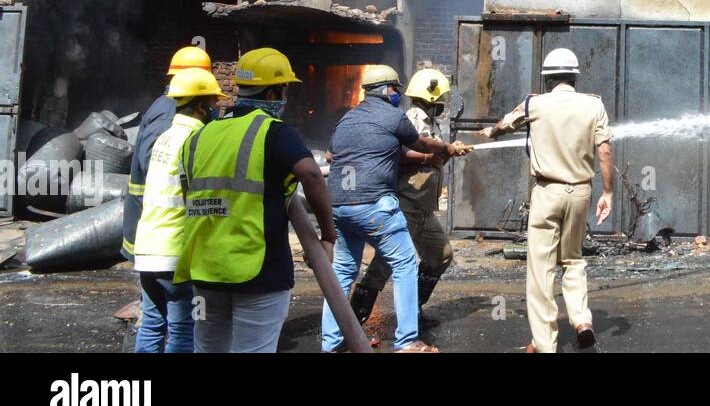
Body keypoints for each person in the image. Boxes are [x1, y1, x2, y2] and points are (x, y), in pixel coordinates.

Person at [173, 47, 334, 353]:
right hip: (259, 271)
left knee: (208, 350)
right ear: (274, 93)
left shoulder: (198, 137)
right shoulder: (273, 131)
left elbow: (189, 197)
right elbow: (312, 175)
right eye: (284, 90)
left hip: (205, 270)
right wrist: (328, 236)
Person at [322, 64, 468, 353]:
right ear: (387, 90)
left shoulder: (349, 118)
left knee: (343, 271)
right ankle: (405, 340)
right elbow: (420, 145)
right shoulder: (398, 117)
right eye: (393, 89)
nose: (396, 95)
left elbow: (330, 155)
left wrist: (442, 152)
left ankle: (333, 343)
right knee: (400, 265)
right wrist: (443, 149)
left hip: (340, 204)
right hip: (385, 203)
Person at [478, 47, 614, 353]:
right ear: (575, 77)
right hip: (580, 192)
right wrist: (608, 193)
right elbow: (604, 151)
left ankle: (545, 344)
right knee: (573, 258)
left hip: (547, 192)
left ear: (548, 78)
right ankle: (582, 321)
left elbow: (504, 125)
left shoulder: (534, 104)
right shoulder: (594, 105)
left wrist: (490, 132)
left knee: (541, 270)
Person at [122, 45, 210, 352]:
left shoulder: (169, 130)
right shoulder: (188, 133)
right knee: (183, 327)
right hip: (174, 250)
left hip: (149, 243)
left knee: (152, 321)